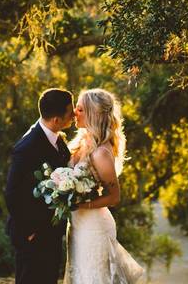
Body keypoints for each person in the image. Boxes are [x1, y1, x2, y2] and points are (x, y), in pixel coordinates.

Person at [64, 88, 144, 284]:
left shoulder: (101, 153)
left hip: (94, 227)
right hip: (77, 223)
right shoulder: (82, 142)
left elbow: (114, 197)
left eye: (80, 109)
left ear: (93, 113)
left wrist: (81, 205)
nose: (75, 112)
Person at [5, 88, 75, 284]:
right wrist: (29, 231)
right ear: (56, 119)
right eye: (70, 112)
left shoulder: (58, 139)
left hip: (50, 231)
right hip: (31, 234)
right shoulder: (26, 147)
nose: (73, 116)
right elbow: (12, 194)